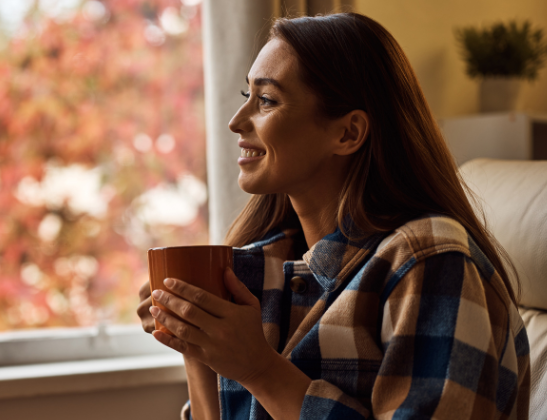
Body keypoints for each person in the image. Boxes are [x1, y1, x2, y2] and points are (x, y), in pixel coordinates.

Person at [136, 12, 530, 420]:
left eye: (267, 100)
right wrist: (197, 346)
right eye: (245, 96)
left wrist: (259, 369)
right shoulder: (258, 269)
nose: (236, 122)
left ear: (347, 134)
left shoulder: (431, 262)